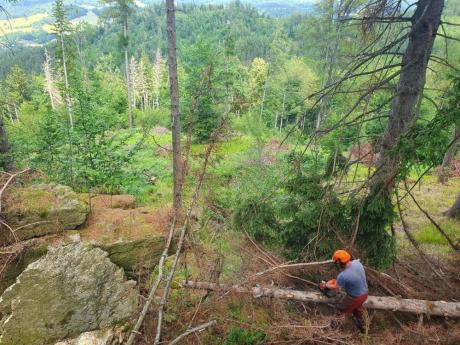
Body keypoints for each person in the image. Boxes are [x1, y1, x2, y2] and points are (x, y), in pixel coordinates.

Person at [320, 249, 369, 332]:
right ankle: (364, 327)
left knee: (341, 309)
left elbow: (337, 288)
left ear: (339, 263)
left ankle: (334, 329)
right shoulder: (357, 263)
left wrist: (326, 285)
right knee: (357, 308)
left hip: (355, 297)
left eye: (336, 262)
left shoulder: (343, 276)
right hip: (365, 293)